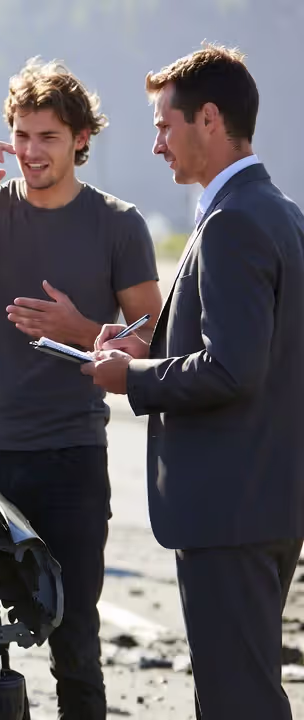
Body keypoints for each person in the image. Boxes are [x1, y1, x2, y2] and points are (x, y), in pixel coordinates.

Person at [0, 58, 163, 719]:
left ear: (81, 139)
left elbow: (150, 342)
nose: (30, 151)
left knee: (75, 645)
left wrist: (83, 330)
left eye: (47, 137)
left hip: (72, 460)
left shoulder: (118, 224)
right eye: (21, 135)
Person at [84, 44, 304, 720]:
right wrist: (151, 346)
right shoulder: (282, 212)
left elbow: (233, 367)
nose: (156, 145)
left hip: (228, 510)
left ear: (209, 119)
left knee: (239, 701)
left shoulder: (233, 221)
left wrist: (133, 376)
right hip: (269, 501)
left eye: (162, 125)